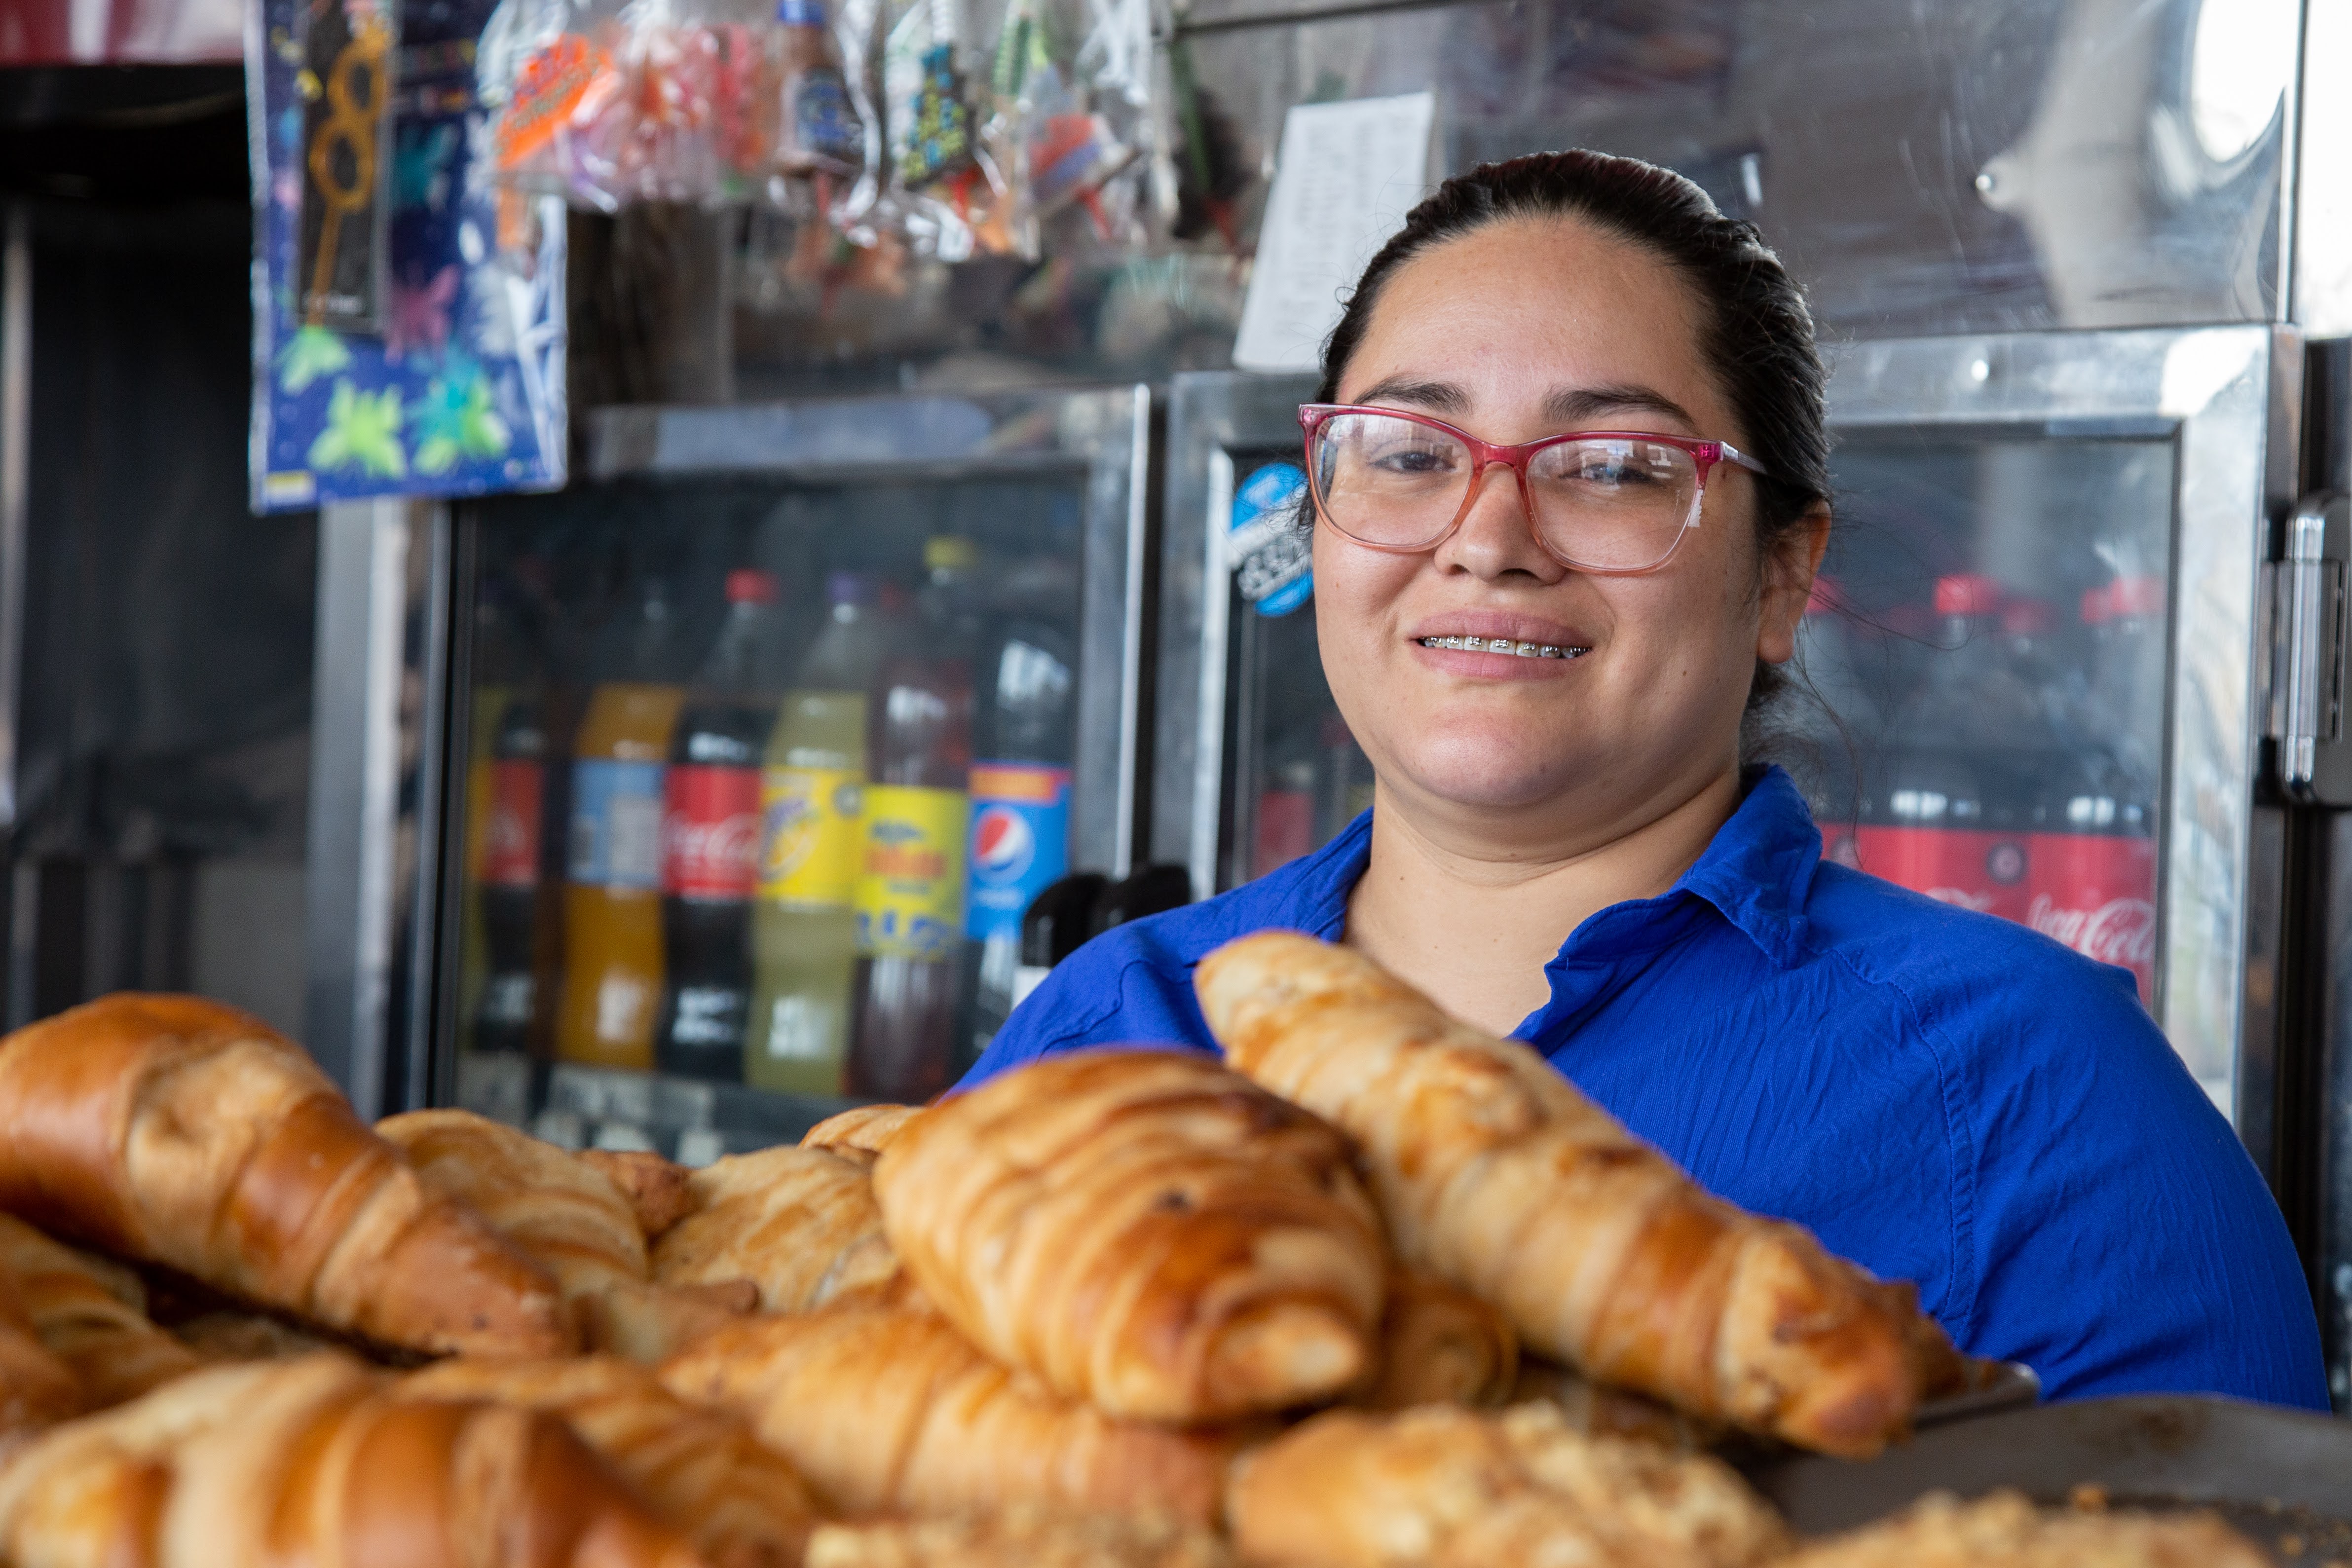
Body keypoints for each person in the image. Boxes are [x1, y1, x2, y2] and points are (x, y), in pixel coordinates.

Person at [966, 151, 2325, 1408]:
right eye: (1409, 453)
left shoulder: (2034, 1093)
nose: (1488, 537)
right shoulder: (1114, 1025)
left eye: (1613, 467)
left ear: (1783, 575)